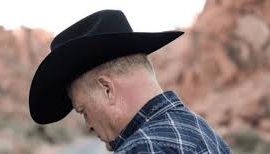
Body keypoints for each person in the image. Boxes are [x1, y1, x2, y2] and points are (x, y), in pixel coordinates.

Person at [29, 10, 232, 154]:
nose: (88, 125)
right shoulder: (201, 130)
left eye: (83, 110)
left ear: (107, 89)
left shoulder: (143, 147)